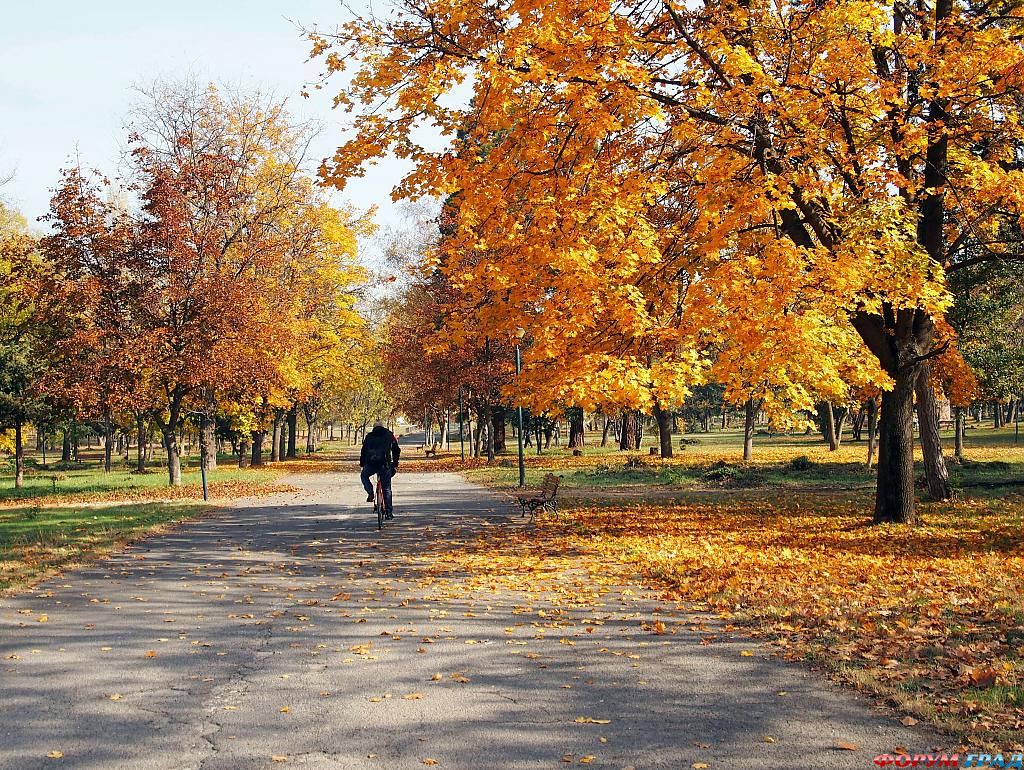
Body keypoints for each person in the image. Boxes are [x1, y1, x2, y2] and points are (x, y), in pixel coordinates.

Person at [360, 421, 401, 519]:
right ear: (383, 427)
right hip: (384, 465)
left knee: (364, 476)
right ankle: (389, 513)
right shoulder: (389, 435)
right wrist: (395, 463)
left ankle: (370, 492)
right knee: (386, 488)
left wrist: (362, 464)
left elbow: (364, 451)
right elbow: (396, 449)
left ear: (374, 428)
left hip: (371, 464)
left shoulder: (369, 436)